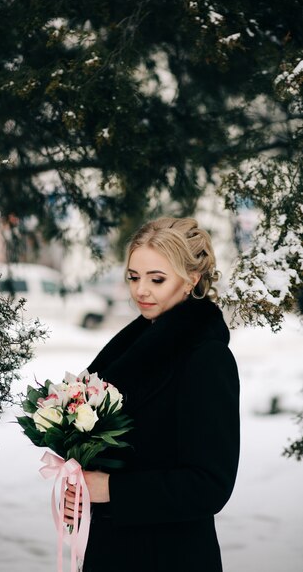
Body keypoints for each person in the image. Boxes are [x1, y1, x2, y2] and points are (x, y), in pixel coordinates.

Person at [64, 216, 240, 572]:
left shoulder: (206, 358)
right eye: (133, 277)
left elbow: (210, 485)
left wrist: (110, 489)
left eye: (156, 279)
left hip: (171, 555)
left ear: (192, 279)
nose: (140, 290)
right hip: (113, 549)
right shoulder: (133, 345)